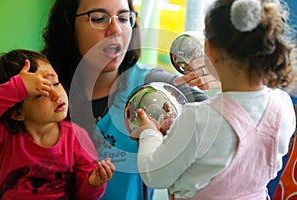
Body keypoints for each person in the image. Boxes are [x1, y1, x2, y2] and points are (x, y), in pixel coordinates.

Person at [41, 0, 219, 199]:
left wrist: (226, 80)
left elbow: (225, 123)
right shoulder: (42, 90)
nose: (115, 29)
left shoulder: (153, 87)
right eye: (99, 18)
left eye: (124, 18)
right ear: (68, 27)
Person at [131, 0, 296, 199]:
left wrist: (149, 133)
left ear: (210, 48)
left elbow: (154, 174)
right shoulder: (283, 105)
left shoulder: (200, 118)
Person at [0, 49, 115, 199]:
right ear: (17, 113)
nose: (56, 94)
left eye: (56, 83)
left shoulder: (76, 137)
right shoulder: (5, 136)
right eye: (40, 93)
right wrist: (18, 87)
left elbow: (85, 196)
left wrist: (94, 183)